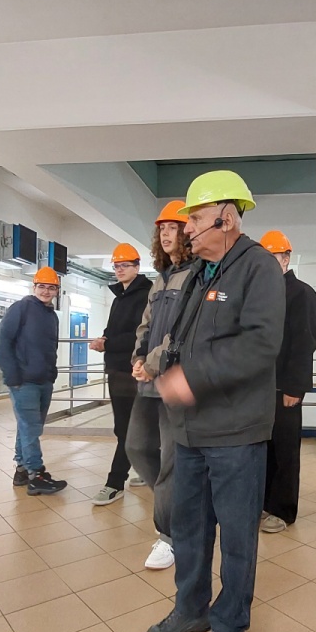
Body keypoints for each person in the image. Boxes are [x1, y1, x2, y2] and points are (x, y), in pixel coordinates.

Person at [143, 170, 285, 632]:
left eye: (196, 219)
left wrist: (191, 378)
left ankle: (229, 623)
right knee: (189, 527)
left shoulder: (258, 267)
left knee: (238, 534)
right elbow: (182, 339)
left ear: (227, 217)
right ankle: (191, 608)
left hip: (235, 432)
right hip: (190, 430)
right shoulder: (201, 273)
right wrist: (160, 365)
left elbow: (260, 344)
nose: (187, 230)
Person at [128, 200, 194, 570]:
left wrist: (152, 363)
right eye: (162, 229)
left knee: (171, 457)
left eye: (173, 227)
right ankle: (178, 504)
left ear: (187, 232)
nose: (166, 234)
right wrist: (138, 359)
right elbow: (146, 324)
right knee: (136, 446)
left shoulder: (196, 274)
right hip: (149, 377)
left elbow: (182, 332)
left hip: (175, 378)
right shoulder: (162, 277)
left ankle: (170, 536)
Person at [258, 230, 316, 534]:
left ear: (286, 259)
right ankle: (265, 503)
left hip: (285, 387)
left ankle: (283, 510)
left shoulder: (301, 293)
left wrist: (295, 387)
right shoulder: (260, 294)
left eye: (274, 257)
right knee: (264, 448)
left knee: (284, 451)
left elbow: (305, 342)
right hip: (259, 386)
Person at [89, 243, 153, 505]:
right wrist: (104, 339)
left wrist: (109, 344)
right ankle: (146, 470)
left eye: (125, 265)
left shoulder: (146, 295)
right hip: (117, 369)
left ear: (137, 267)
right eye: (117, 266)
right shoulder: (119, 298)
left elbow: (141, 335)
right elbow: (114, 330)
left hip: (132, 370)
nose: (120, 270)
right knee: (131, 427)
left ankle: (115, 482)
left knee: (126, 428)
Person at [0, 266, 68, 496]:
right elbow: (2, 342)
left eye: (51, 288)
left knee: (29, 426)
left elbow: (50, 347)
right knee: (30, 427)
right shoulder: (21, 308)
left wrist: (52, 373)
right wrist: (12, 376)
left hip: (44, 380)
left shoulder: (51, 315)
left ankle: (21, 470)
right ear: (33, 287)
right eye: (42, 286)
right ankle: (36, 474)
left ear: (57, 290)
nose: (46, 291)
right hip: (24, 381)